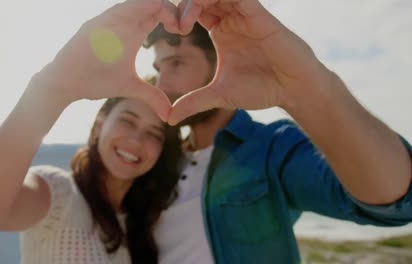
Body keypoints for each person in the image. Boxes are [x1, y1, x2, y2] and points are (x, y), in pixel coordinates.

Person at [143, 0, 412, 263]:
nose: (162, 83)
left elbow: (392, 201)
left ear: (220, 63)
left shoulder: (271, 149)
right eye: (159, 69)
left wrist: (306, 92)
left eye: (176, 63)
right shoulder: (159, 157)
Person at [0, 1, 184, 263]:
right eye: (128, 120)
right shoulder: (59, 195)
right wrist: (55, 88)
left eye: (154, 134)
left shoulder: (147, 226)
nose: (136, 140)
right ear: (100, 122)